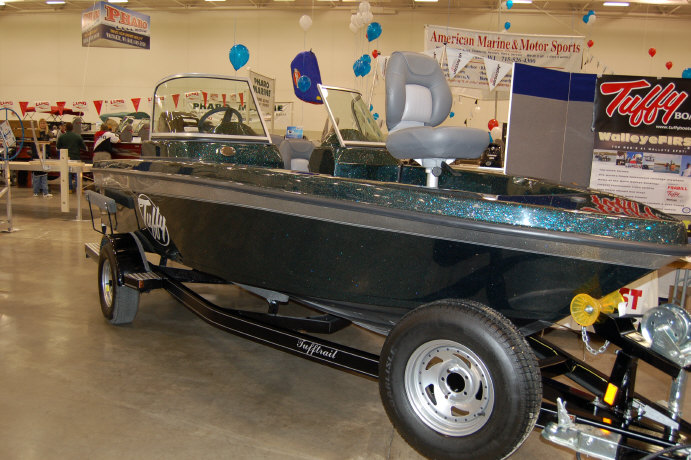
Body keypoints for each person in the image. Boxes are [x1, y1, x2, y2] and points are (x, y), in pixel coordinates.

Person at [56, 121, 87, 192]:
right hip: (76, 156)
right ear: (73, 128)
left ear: (65, 128)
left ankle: (69, 188)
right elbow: (83, 146)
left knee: (68, 173)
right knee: (77, 172)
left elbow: (58, 147)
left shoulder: (62, 137)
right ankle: (78, 188)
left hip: (66, 157)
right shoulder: (78, 136)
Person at [31, 118, 52, 197]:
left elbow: (48, 146)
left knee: (44, 174)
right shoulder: (36, 134)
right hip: (36, 155)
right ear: (39, 124)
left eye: (44, 123)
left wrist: (48, 155)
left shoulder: (47, 134)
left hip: (44, 156)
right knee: (36, 175)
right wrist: (38, 153)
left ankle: (45, 192)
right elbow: (33, 145)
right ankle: (36, 191)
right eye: (41, 123)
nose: (43, 124)